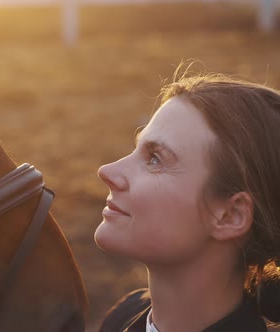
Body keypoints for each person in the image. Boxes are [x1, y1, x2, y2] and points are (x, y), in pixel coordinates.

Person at [95, 71, 280, 332]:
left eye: (155, 159)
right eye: (135, 149)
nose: (108, 171)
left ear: (230, 216)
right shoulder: (121, 318)